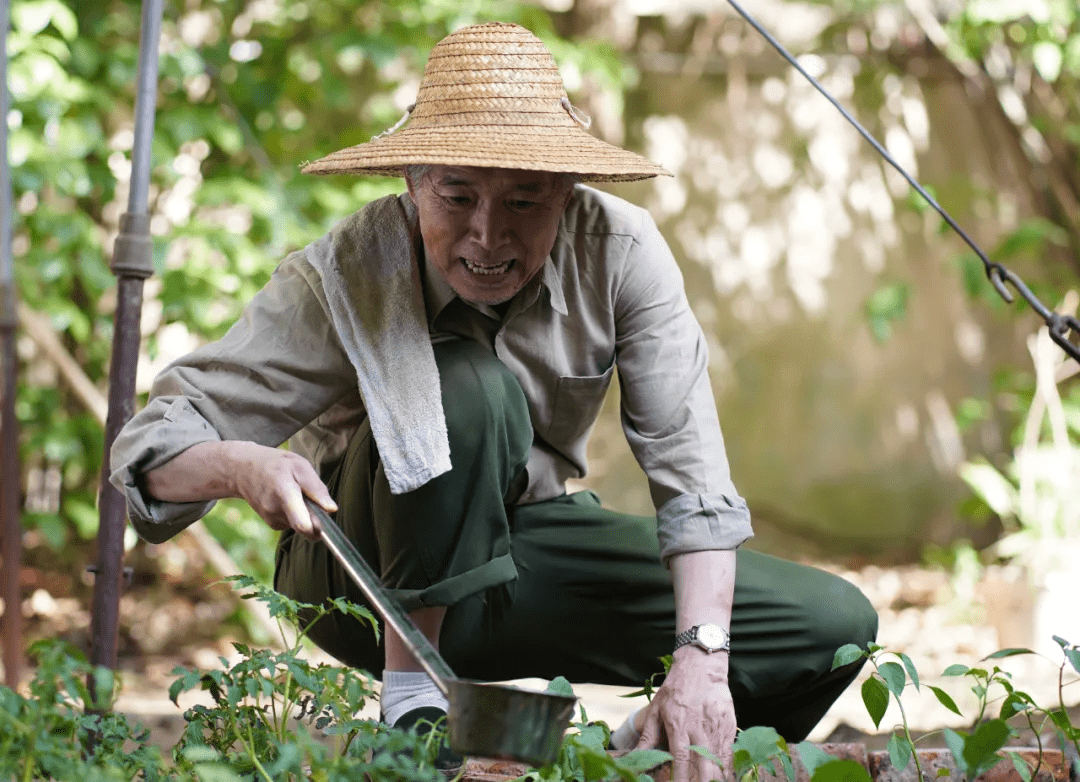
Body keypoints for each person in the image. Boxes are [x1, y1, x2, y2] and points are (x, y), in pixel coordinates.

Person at [111, 21, 877, 782]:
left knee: (829, 628)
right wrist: (242, 465)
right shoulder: (343, 274)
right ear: (412, 184)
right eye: (457, 194)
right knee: (467, 388)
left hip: (521, 553)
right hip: (362, 575)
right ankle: (412, 711)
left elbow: (694, 478)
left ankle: (636, 755)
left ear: (567, 193)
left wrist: (703, 658)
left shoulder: (622, 253)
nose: (487, 235)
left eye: (522, 200)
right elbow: (149, 449)